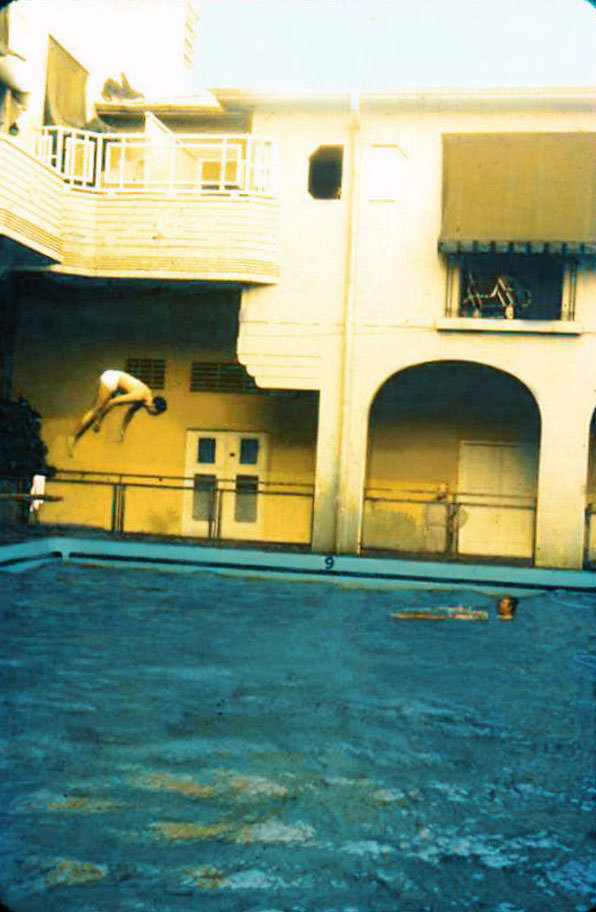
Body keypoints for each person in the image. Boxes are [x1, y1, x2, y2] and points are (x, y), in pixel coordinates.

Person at [68, 370, 167, 455]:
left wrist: (122, 432)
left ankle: (76, 439)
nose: (154, 415)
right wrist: (99, 421)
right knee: (95, 410)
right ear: (153, 406)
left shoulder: (144, 400)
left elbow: (129, 414)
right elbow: (113, 402)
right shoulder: (140, 396)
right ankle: (72, 437)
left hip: (118, 387)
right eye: (156, 413)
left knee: (98, 412)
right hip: (111, 379)